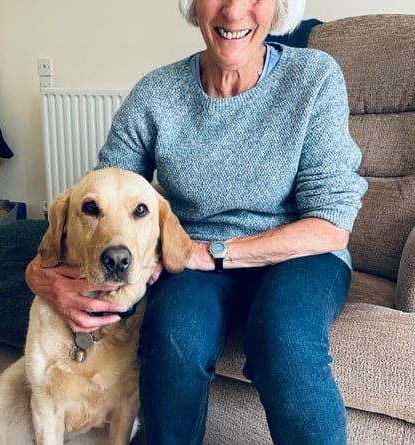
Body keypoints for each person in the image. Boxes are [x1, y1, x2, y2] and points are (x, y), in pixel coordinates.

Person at [26, 0, 368, 443]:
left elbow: (333, 222)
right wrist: (40, 273)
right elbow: (102, 199)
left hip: (300, 252)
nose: (234, 10)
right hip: (193, 261)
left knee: (285, 338)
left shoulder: (314, 77)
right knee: (173, 334)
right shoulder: (155, 94)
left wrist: (210, 254)